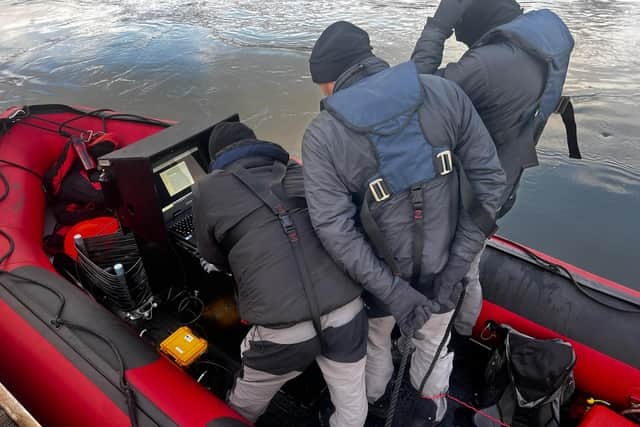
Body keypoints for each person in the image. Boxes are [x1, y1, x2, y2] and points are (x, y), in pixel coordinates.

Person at [302, 21, 506, 425]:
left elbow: (334, 230)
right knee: (434, 343)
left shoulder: (322, 135)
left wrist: (393, 292)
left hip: (379, 283)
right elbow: (491, 185)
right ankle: (430, 408)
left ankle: (375, 396)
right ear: (370, 56)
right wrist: (453, 269)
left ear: (328, 82)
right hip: (446, 265)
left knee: (376, 341)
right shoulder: (445, 92)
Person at [411, 0, 575, 341]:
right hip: (501, 183)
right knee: (470, 266)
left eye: (460, 28)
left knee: (447, 269)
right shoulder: (537, 47)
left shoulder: (489, 64)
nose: (459, 39)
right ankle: (465, 331)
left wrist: (437, 28)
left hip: (467, 193)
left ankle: (438, 340)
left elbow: (415, 93)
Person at [193, 121, 368, 427]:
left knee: (245, 402)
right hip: (347, 310)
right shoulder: (297, 171)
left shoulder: (206, 189)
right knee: (351, 399)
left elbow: (211, 255)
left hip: (284, 331)